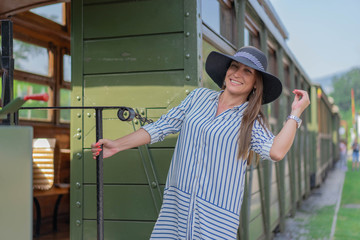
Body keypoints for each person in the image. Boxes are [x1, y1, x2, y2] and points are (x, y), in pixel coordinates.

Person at [91, 46, 310, 239]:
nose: (237, 74)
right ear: (225, 72)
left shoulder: (250, 120)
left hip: (216, 219)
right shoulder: (198, 98)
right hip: (177, 207)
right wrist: (118, 145)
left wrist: (295, 114)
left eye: (247, 71)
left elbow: (276, 151)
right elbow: (161, 127)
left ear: (255, 84)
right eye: (234, 66)